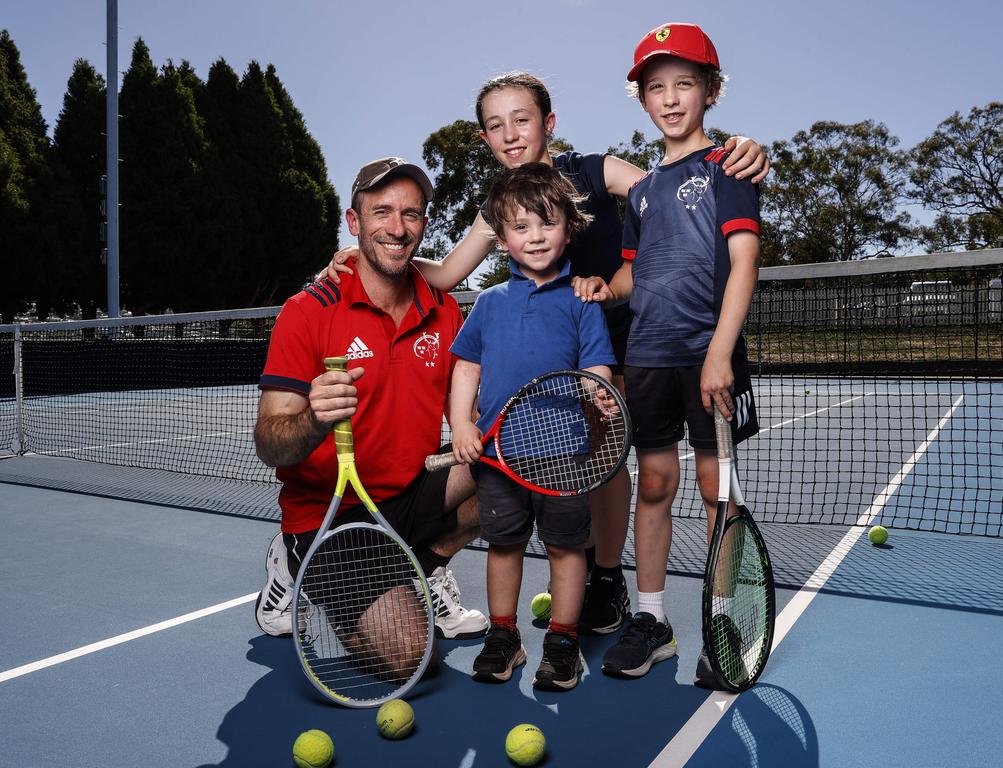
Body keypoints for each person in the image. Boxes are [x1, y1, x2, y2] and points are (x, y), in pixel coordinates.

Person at [322, 71, 770, 638]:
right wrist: (368, 252)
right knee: (576, 470)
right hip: (550, 361)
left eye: (522, 119)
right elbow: (447, 274)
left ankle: (608, 579)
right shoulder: (498, 209)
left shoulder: (597, 170)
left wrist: (741, 155)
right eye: (495, 125)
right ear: (484, 137)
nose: (510, 134)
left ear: (548, 124)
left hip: (627, 344)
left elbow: (677, 190)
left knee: (611, 464)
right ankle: (584, 582)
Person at [573, 23, 761, 687]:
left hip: (708, 359)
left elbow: (744, 263)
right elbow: (634, 273)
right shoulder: (643, 190)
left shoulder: (730, 168)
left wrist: (719, 353)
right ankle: (650, 619)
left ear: (710, 91)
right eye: (657, 87)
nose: (671, 97)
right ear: (642, 99)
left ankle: (723, 615)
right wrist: (602, 287)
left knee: (718, 490)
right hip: (647, 358)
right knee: (654, 484)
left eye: (685, 83)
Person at [253, 157, 488, 643]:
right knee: (407, 653)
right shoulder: (307, 312)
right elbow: (271, 445)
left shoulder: (443, 309)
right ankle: (293, 564)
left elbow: (469, 414)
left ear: (424, 224)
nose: (397, 229)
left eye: (411, 214)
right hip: (329, 519)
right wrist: (314, 421)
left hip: (407, 496)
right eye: (381, 212)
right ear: (354, 222)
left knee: (507, 475)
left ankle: (424, 573)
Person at [448, 162, 616, 691]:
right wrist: (460, 423)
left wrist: (598, 391)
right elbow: (466, 368)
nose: (537, 236)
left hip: (564, 453)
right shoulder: (490, 303)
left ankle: (563, 640)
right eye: (521, 227)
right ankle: (504, 637)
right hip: (498, 456)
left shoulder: (583, 300)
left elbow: (596, 365)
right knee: (504, 546)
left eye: (547, 223)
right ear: (501, 240)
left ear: (569, 226)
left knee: (568, 549)